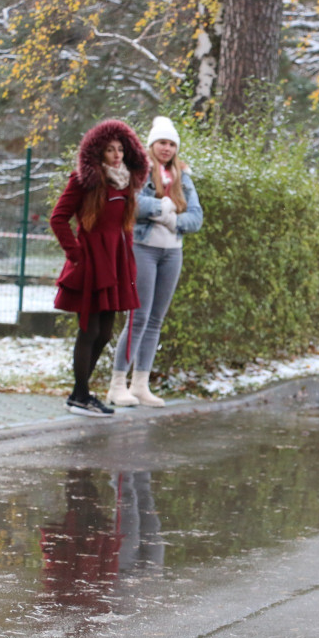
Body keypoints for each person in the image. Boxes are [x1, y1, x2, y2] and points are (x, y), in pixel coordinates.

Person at [49, 119, 148, 417]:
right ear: (98, 152)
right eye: (110, 150)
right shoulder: (83, 181)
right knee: (88, 330)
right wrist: (76, 253)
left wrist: (127, 262)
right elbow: (58, 218)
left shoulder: (125, 182)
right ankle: (80, 396)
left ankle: (79, 394)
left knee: (104, 333)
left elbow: (123, 227)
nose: (116, 155)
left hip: (115, 263)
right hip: (90, 263)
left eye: (120, 149)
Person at [106, 116, 203, 407]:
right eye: (162, 142)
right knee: (138, 318)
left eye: (172, 144)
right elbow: (130, 203)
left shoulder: (183, 177)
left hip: (172, 252)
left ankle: (140, 384)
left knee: (156, 321)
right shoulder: (139, 172)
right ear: (151, 145)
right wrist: (162, 208)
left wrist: (172, 218)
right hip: (143, 249)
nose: (167, 148)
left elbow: (196, 217)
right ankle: (116, 384)